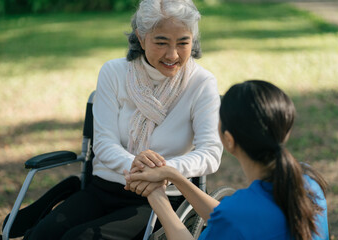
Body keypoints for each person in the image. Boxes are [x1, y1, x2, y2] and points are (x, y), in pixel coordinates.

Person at [23, 0, 222, 239]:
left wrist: (165, 171)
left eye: (183, 43)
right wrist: (137, 166)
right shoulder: (114, 73)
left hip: (163, 198)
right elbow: (104, 144)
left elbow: (210, 153)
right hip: (104, 189)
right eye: (161, 42)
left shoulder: (202, 83)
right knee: (42, 235)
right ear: (141, 37)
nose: (173, 54)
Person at [125, 80, 329, 240]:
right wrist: (175, 177)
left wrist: (157, 198)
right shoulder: (307, 182)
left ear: (228, 140)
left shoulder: (236, 216)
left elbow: (235, 220)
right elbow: (238, 220)